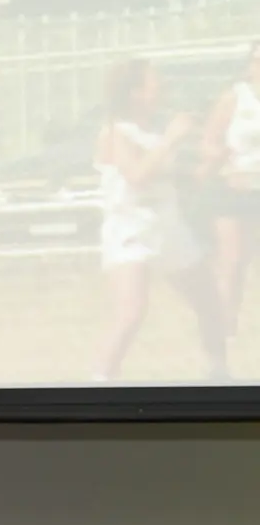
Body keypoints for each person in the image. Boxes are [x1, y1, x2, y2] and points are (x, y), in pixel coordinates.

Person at [92, 60, 226, 382]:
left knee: (209, 300)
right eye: (156, 82)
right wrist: (171, 139)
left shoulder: (155, 129)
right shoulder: (116, 131)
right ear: (136, 93)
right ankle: (99, 384)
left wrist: (211, 163)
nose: (163, 86)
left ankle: (220, 374)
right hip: (131, 228)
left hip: (167, 225)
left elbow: (176, 179)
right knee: (132, 312)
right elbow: (136, 175)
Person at [203, 42, 260, 341]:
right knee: (233, 260)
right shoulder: (235, 98)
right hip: (232, 186)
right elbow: (208, 141)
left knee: (246, 259)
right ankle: (225, 326)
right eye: (256, 60)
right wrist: (223, 164)